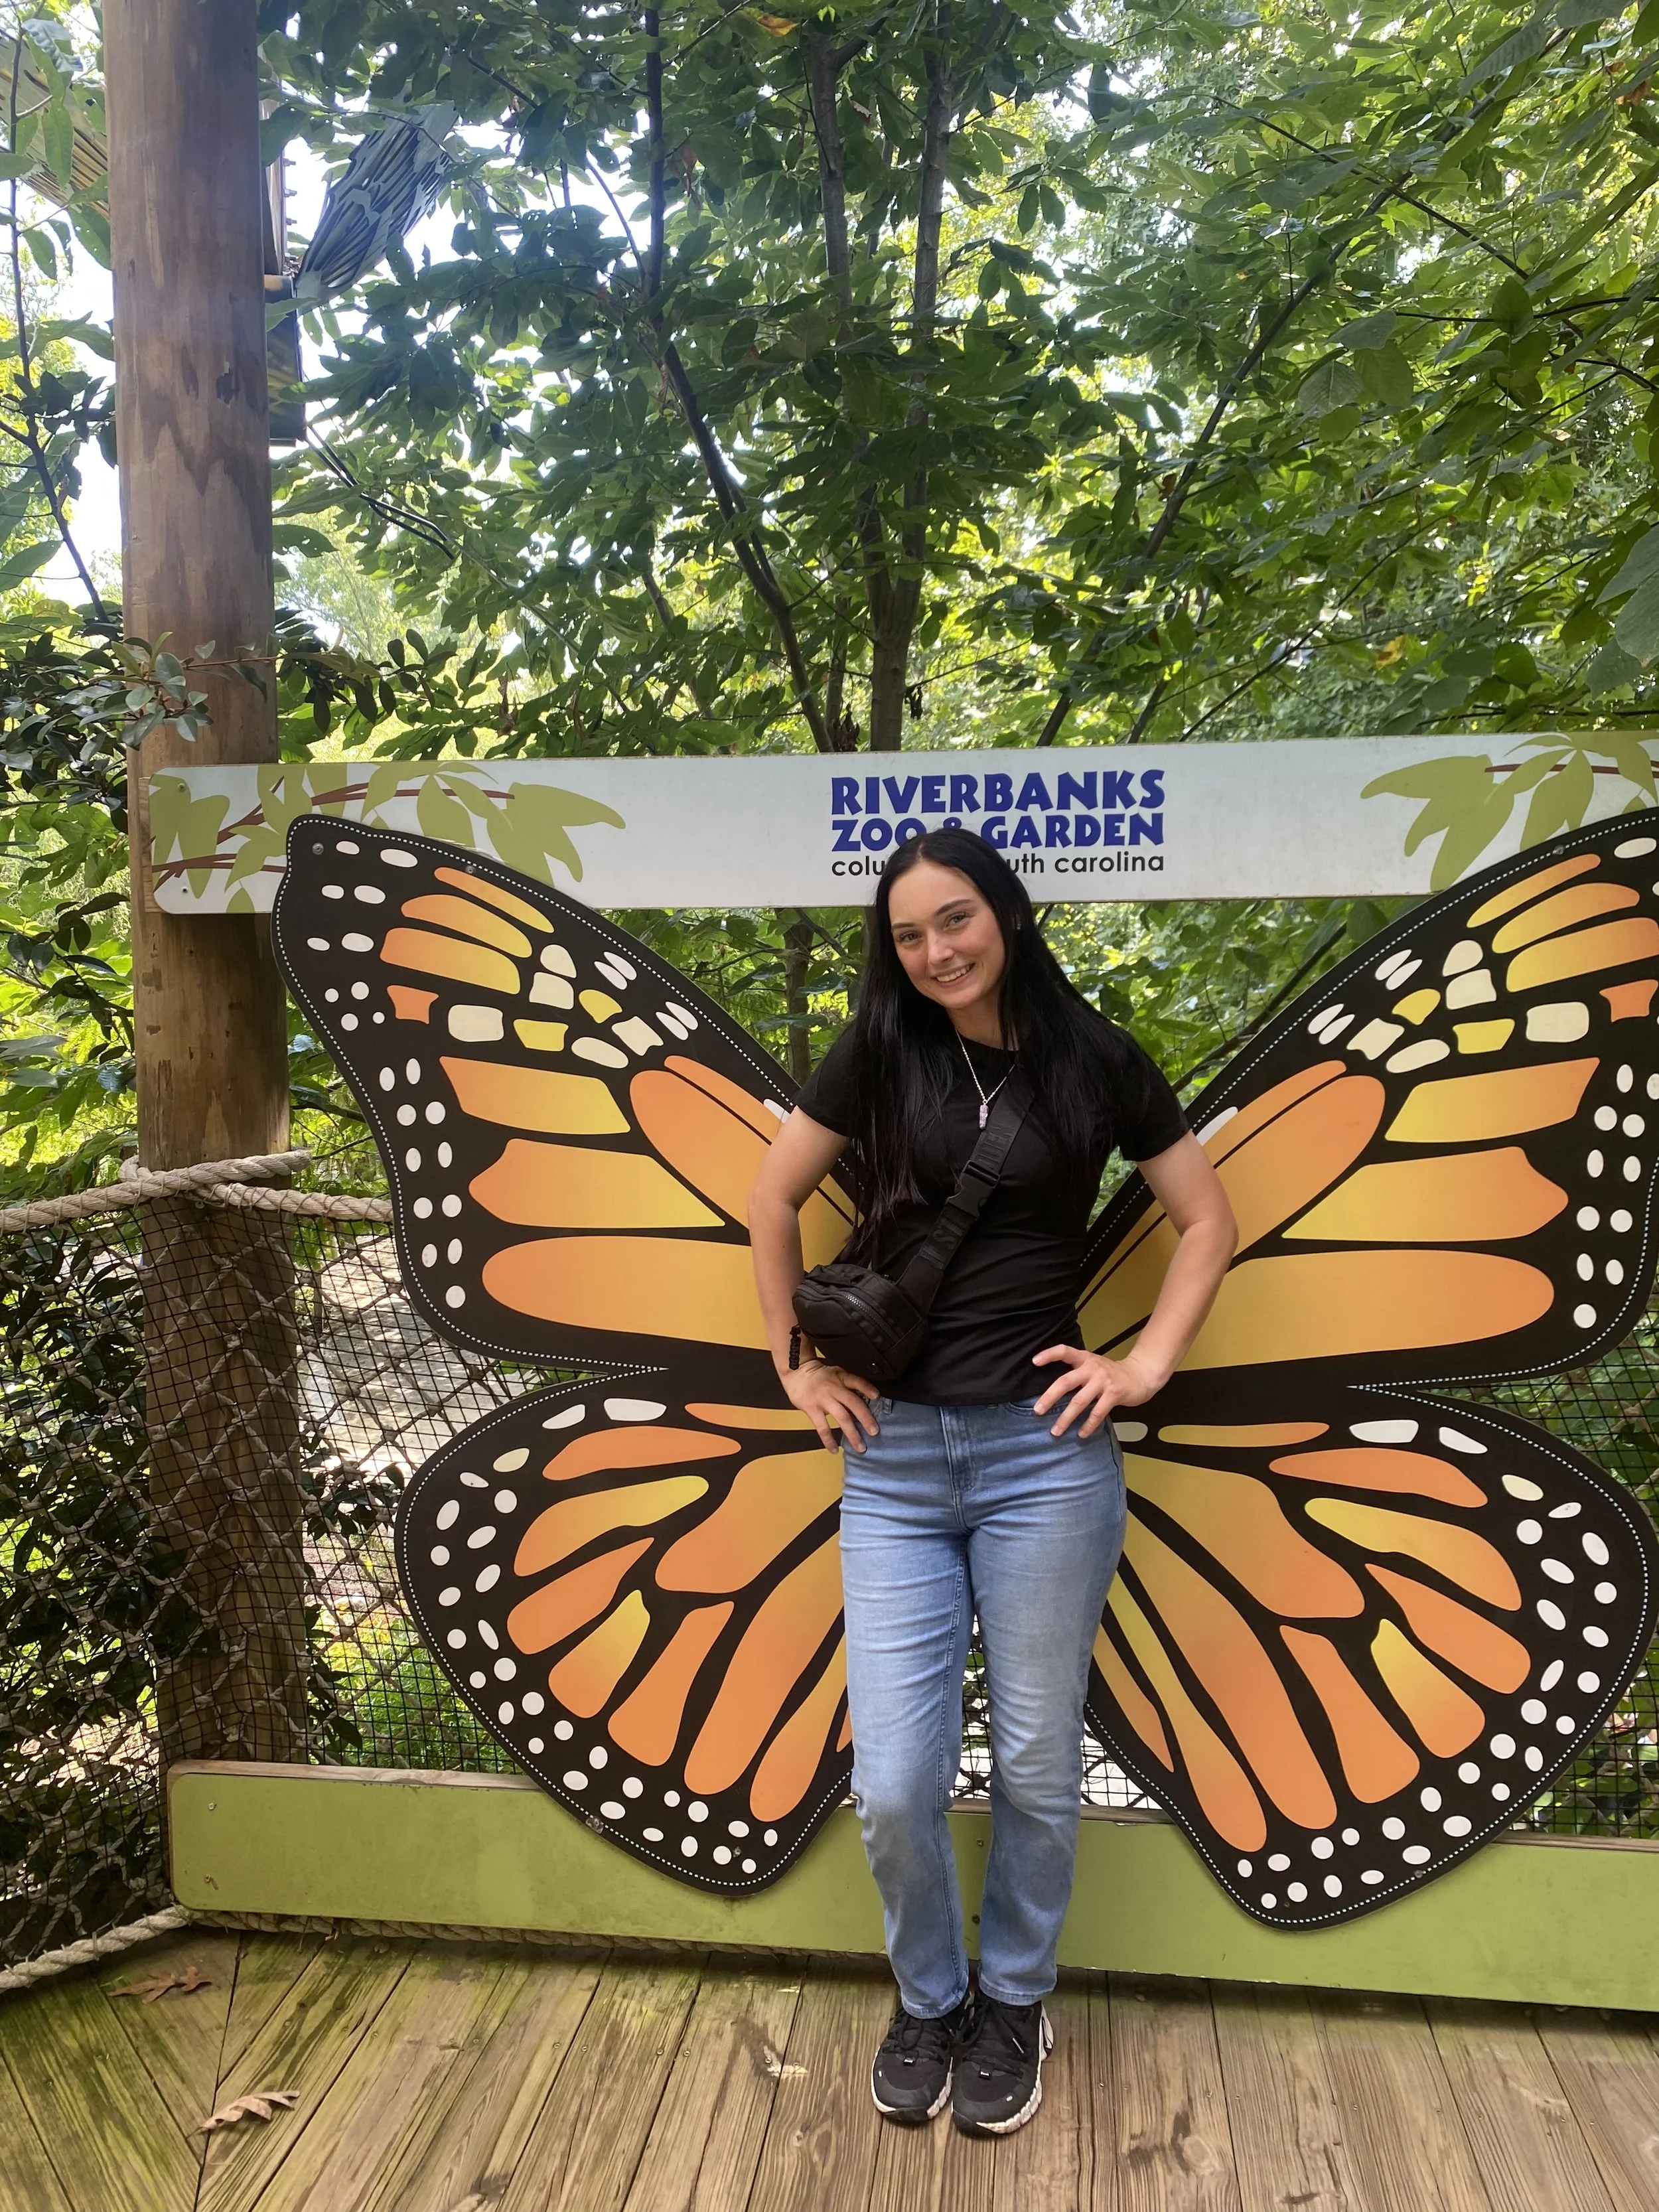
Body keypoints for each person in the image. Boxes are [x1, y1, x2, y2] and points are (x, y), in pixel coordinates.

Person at [749, 827, 1236, 2138]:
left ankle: (1012, 1997)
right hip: (893, 1461)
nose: (934, 952)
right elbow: (771, 1199)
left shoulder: (1094, 1061)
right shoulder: (878, 1048)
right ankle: (928, 1996)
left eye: (954, 921)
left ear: (1008, 914)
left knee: (1031, 1756)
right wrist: (792, 1365)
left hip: (1042, 1457)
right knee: (895, 1782)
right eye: (907, 936)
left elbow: (1207, 1219)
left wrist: (1141, 1366)